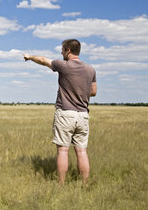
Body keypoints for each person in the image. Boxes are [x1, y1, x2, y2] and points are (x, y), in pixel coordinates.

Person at [23, 39, 97, 185]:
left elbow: (43, 60)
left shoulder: (63, 65)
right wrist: (80, 90)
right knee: (81, 152)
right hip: (83, 115)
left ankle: (61, 184)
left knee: (63, 151)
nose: (61, 52)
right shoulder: (91, 69)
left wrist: (29, 57)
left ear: (68, 50)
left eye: (62, 50)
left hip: (65, 114)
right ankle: (85, 184)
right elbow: (93, 92)